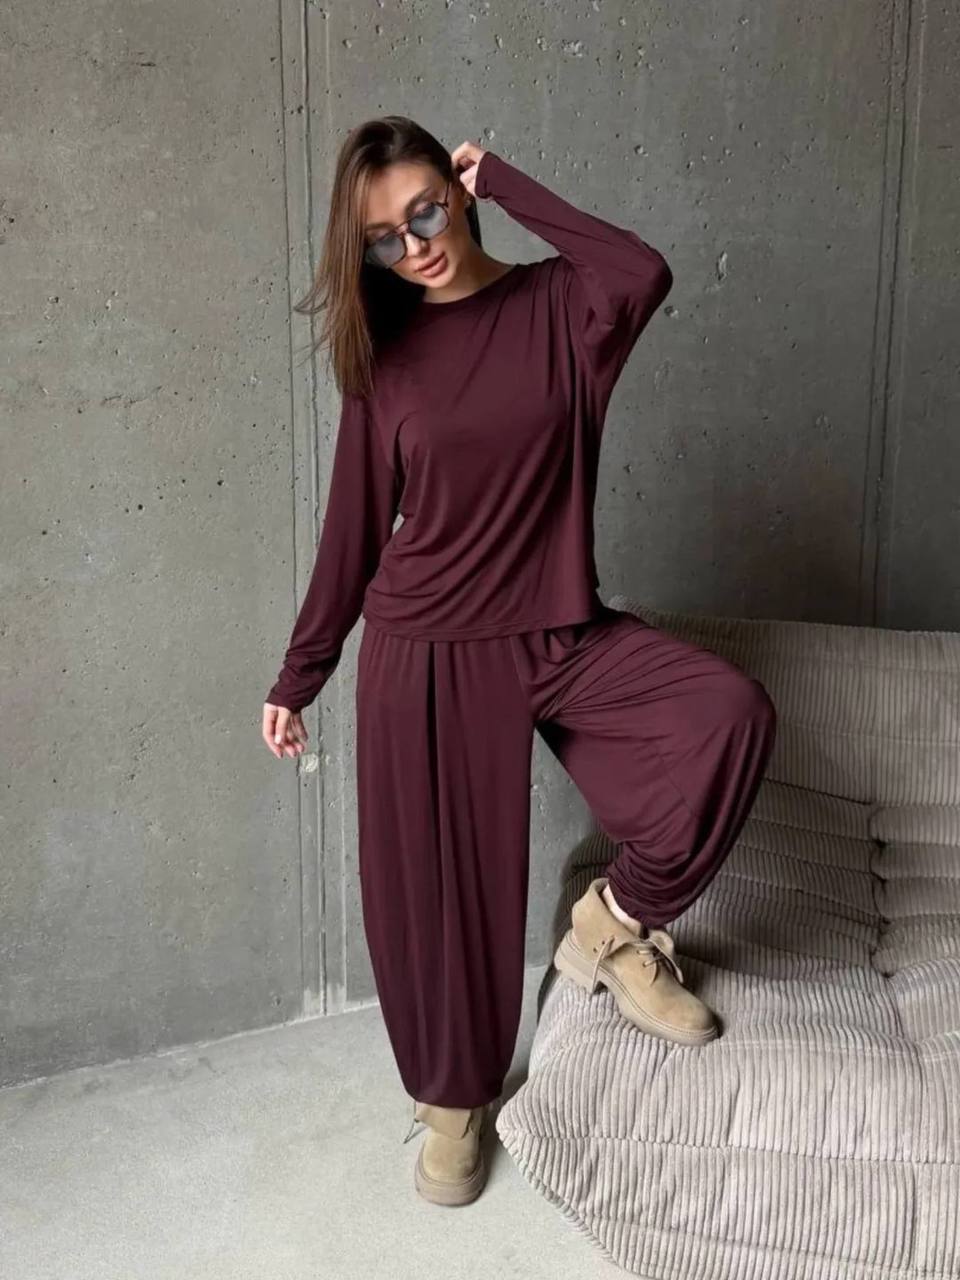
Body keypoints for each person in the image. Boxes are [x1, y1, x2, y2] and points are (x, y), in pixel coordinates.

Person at [261, 116, 777, 1207]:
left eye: (427, 211)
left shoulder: (563, 309)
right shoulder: (386, 360)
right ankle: (454, 1102)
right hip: (428, 648)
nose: (414, 246)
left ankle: (612, 928)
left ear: (459, 191)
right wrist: (300, 673)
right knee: (442, 894)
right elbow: (353, 529)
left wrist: (508, 180)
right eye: (383, 238)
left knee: (724, 716)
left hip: (558, 629)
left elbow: (642, 269)